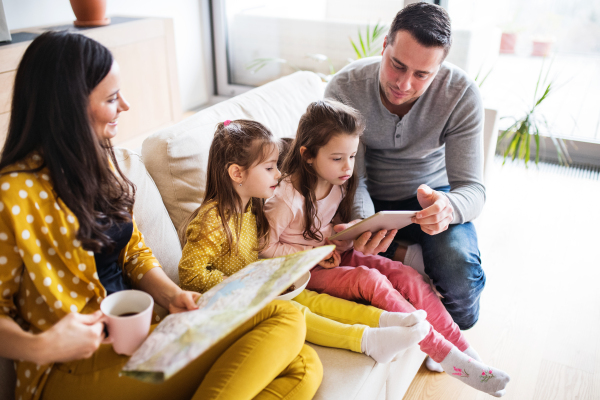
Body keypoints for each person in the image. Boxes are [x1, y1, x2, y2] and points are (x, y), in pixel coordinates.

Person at [0, 31, 322, 400]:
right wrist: (42, 347)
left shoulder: (98, 166)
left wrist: (172, 296)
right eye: (110, 97)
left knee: (303, 367)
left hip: (138, 339)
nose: (125, 105)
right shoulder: (12, 194)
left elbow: (134, 253)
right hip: (68, 367)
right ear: (67, 107)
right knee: (286, 317)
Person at [261, 99, 509, 397]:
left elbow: (325, 227)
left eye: (353, 156)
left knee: (407, 276)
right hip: (305, 272)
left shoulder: (336, 184)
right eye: (338, 158)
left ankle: (467, 352)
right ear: (308, 156)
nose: (348, 167)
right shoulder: (285, 198)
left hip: (332, 255)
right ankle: (449, 357)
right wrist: (315, 253)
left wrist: (343, 236)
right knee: (371, 281)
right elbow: (265, 248)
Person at [178, 119, 430, 365]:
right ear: (236, 173)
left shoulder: (249, 207)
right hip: (230, 302)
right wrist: (234, 284)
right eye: (269, 168)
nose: (279, 174)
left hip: (258, 287)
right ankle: (366, 341)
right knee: (300, 313)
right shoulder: (212, 218)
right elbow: (189, 274)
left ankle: (387, 320)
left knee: (315, 301)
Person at [325, 2, 487, 334]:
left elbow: (473, 189)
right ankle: (405, 252)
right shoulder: (345, 88)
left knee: (459, 280)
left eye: (421, 74)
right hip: (367, 198)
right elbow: (353, 176)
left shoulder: (462, 95)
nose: (404, 83)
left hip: (433, 199)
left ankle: (406, 254)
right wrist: (364, 220)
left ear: (439, 70)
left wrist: (448, 208)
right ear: (384, 46)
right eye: (397, 65)